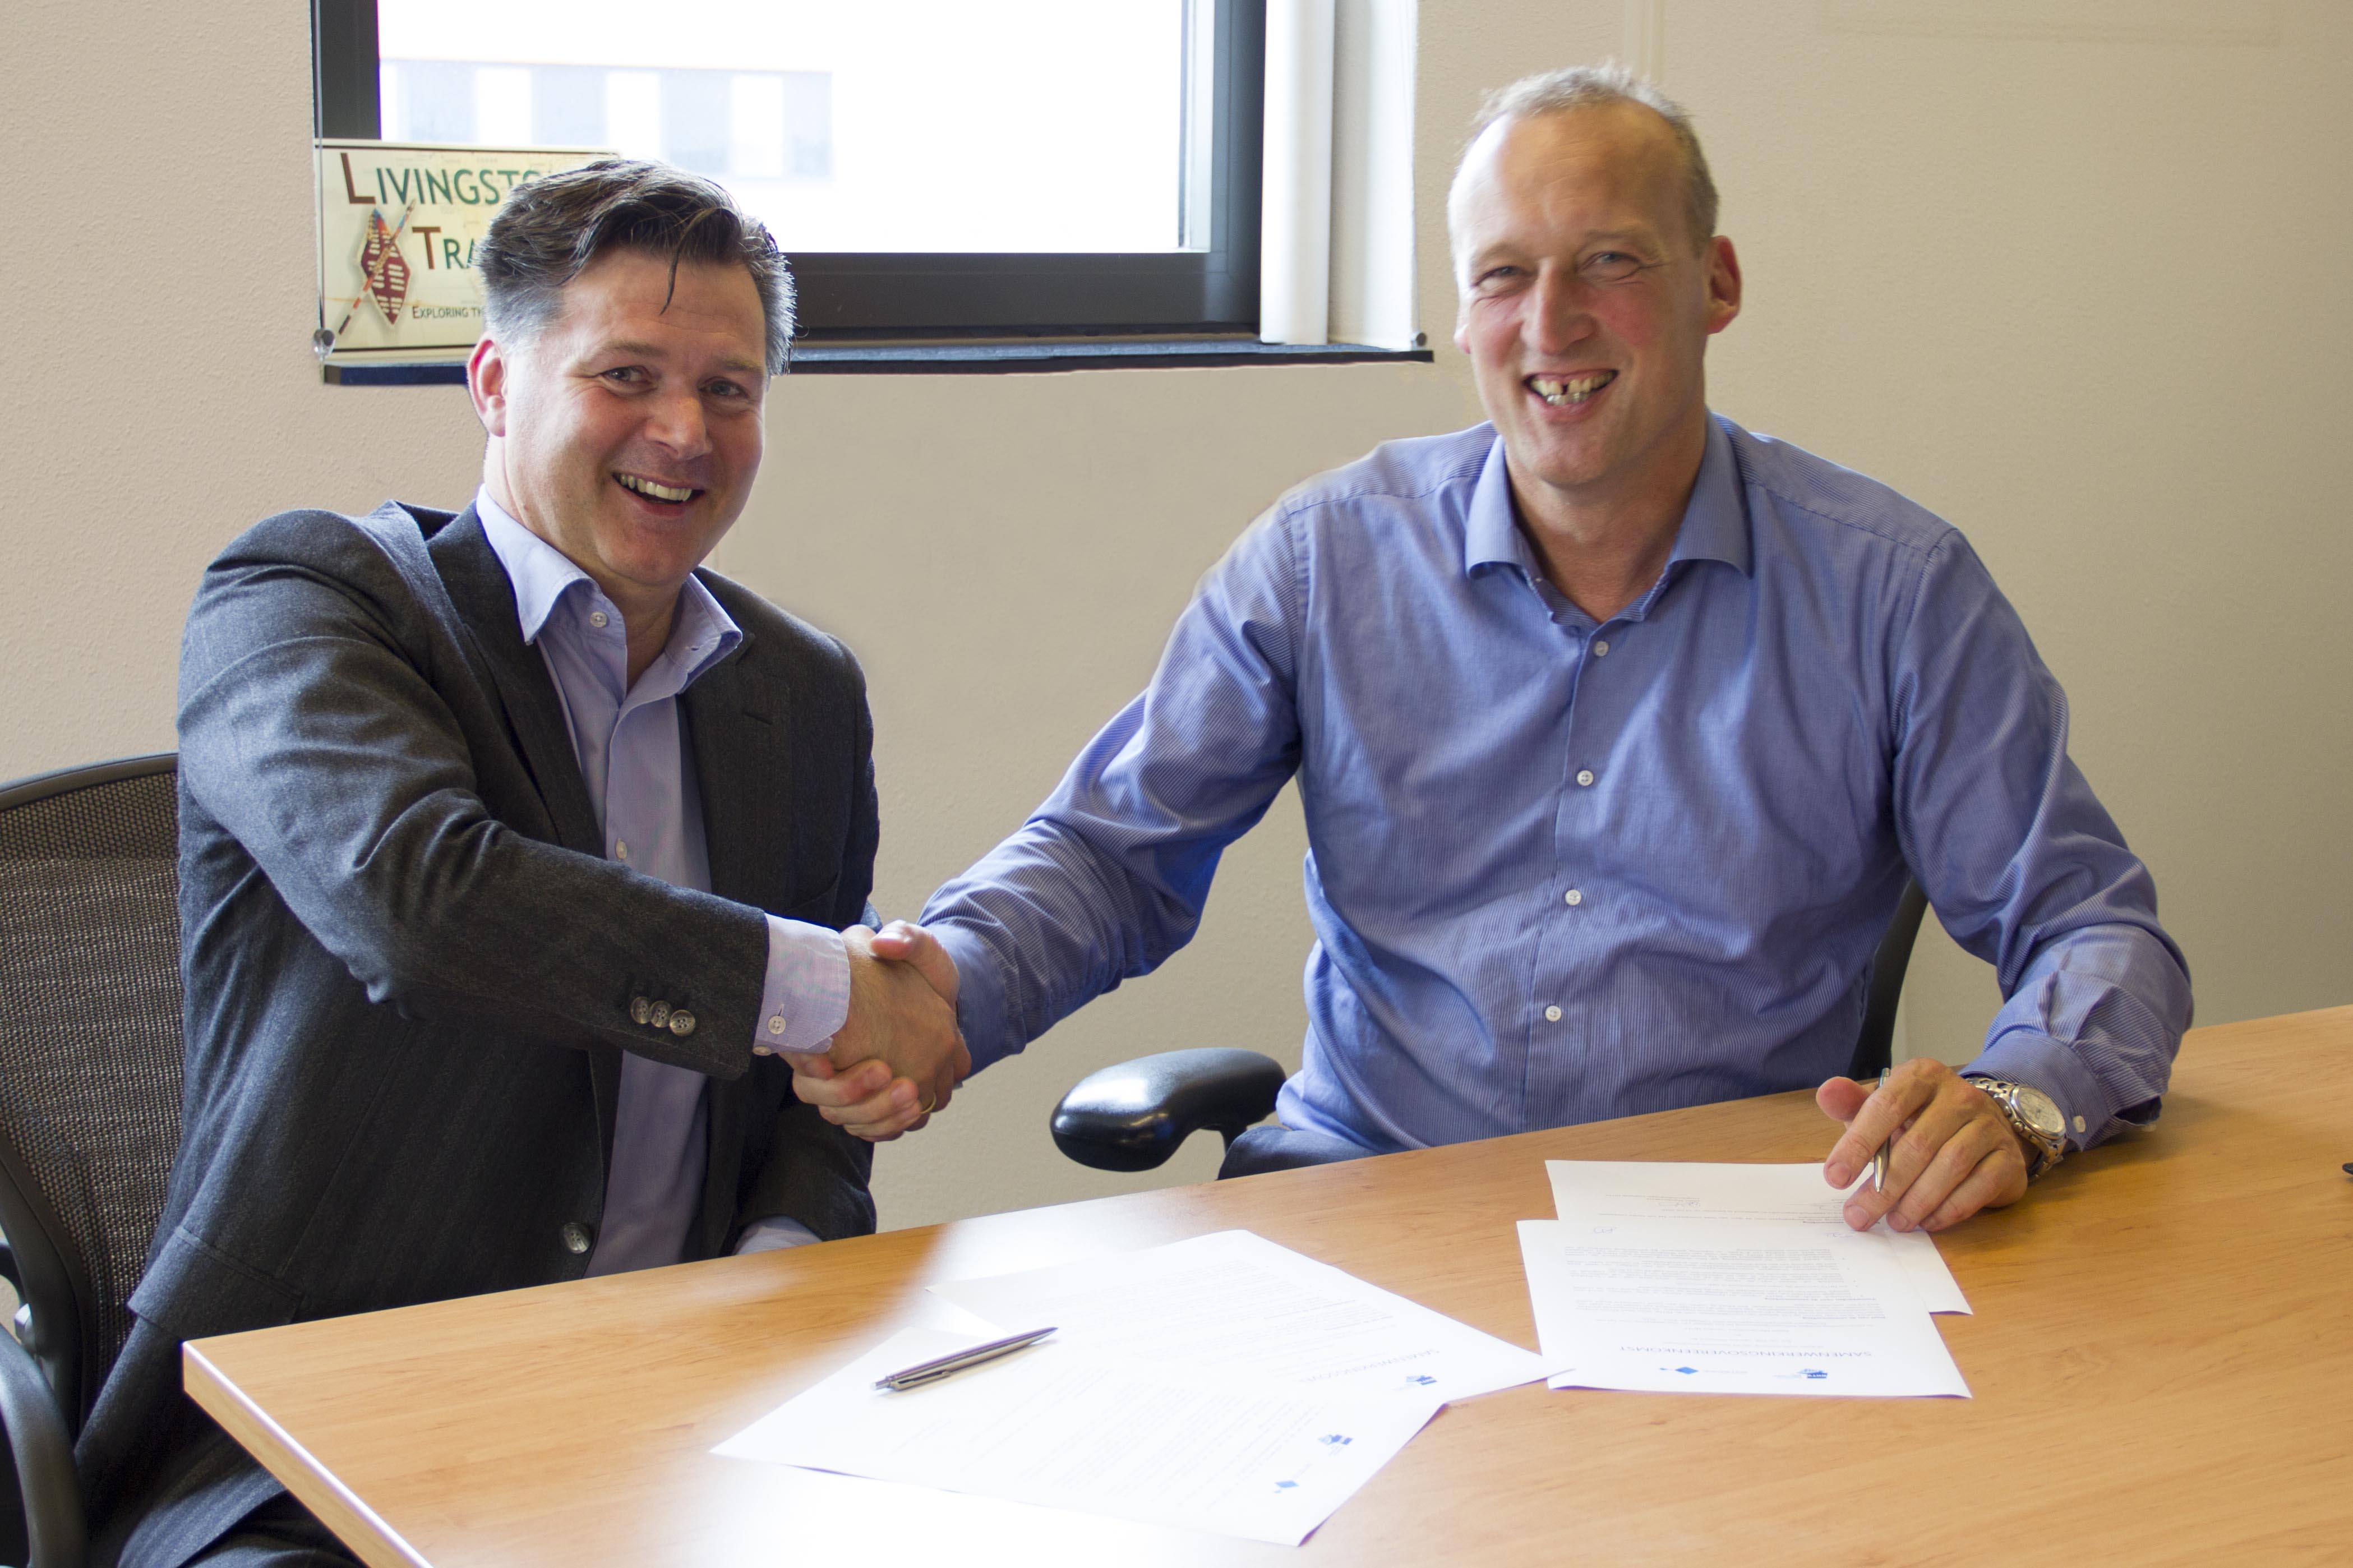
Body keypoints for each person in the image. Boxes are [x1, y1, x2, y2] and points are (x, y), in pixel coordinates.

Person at [800, 64, 2191, 1238]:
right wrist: (945, 983)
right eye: (1504, 277)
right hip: (1371, 1199)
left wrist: (2019, 1099)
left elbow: (2093, 929)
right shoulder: (1326, 561)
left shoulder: (1894, 592)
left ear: (1715, 284)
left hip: (1732, 1239)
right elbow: (1111, 853)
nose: (1551, 324)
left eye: (1610, 263)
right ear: (1464, 316)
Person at [79, 162, 965, 1568]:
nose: (683, 432)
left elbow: (808, 1106)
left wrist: (777, 1274)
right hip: (312, 1446)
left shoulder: (801, 692)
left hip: (692, 1413)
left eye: (729, 391)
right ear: (496, 382)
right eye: (626, 376)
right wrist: (825, 988)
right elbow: (420, 900)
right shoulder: (310, 601)